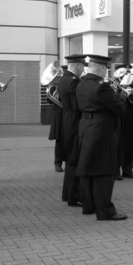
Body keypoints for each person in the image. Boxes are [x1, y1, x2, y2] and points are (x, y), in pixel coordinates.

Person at [76, 54, 128, 221]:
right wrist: (122, 97)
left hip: (85, 127)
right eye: (106, 68)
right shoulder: (102, 87)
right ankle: (105, 211)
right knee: (105, 172)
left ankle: (89, 206)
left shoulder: (82, 84)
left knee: (88, 169)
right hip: (101, 130)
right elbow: (118, 108)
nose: (106, 71)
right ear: (100, 68)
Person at [58, 54, 87, 206]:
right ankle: (74, 196)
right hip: (75, 121)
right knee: (75, 160)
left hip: (67, 119)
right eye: (83, 65)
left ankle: (67, 193)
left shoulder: (64, 79)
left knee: (71, 160)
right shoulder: (74, 81)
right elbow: (79, 103)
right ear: (76, 65)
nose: (84, 68)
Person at [113, 64, 133, 179]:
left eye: (128, 72)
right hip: (118, 118)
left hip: (130, 117)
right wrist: (122, 94)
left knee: (129, 144)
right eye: (125, 72)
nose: (128, 74)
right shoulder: (114, 84)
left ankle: (127, 170)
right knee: (117, 145)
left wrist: (131, 94)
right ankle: (116, 171)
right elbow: (113, 100)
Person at [48, 65, 66, 173]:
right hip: (59, 115)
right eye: (61, 72)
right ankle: (58, 163)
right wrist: (56, 93)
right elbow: (50, 101)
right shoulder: (54, 85)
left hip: (68, 113)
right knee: (60, 141)